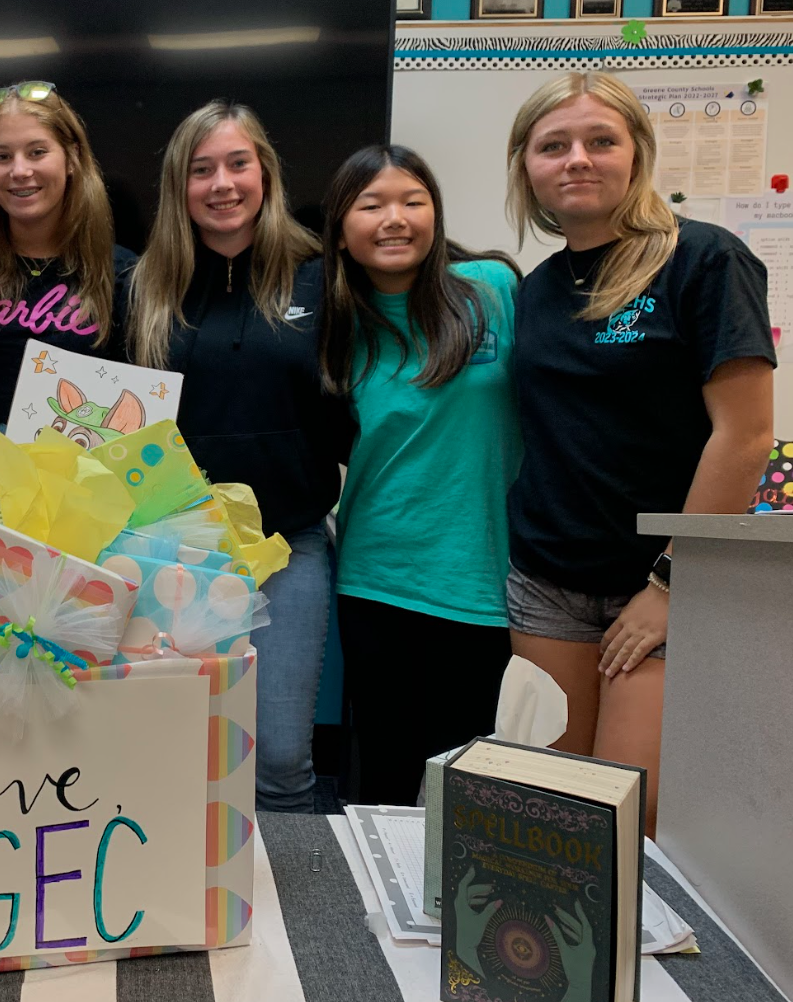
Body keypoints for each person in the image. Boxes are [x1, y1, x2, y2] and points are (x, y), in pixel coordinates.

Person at [505, 71, 775, 836]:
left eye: (600, 141)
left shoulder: (702, 261)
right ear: (526, 166)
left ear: (637, 153)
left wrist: (666, 581)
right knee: (549, 811)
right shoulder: (536, 290)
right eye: (552, 146)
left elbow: (746, 435)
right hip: (547, 581)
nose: (576, 160)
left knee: (627, 819)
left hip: (656, 583)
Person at [127, 100, 350, 813]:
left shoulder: (321, 276)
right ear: (178, 186)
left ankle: (291, 913)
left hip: (289, 545)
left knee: (280, 755)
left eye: (236, 163)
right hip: (172, 551)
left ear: (265, 172)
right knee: (169, 750)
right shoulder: (146, 289)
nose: (221, 183)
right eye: (201, 170)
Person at [319, 145, 522, 806]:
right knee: (385, 773)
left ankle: (459, 911)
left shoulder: (492, 288)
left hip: (484, 577)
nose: (393, 219)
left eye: (411, 200)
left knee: (473, 784)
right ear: (341, 230)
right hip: (377, 580)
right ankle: (378, 911)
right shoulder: (334, 324)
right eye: (370, 205)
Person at [0, 81, 137, 427]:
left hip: (81, 475)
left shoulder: (121, 272)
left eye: (37, 152)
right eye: (2, 156)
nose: (20, 171)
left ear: (72, 158)